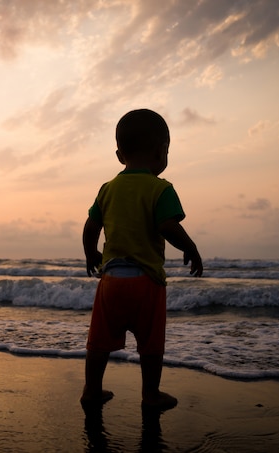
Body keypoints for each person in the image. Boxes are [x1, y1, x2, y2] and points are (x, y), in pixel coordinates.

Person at [80, 109, 203, 413]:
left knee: (99, 342)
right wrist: (191, 248)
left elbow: (90, 227)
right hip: (146, 281)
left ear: (120, 154)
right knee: (150, 344)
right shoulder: (161, 188)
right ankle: (150, 394)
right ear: (162, 151)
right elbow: (168, 227)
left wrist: (91, 253)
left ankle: (91, 390)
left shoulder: (107, 189)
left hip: (110, 282)